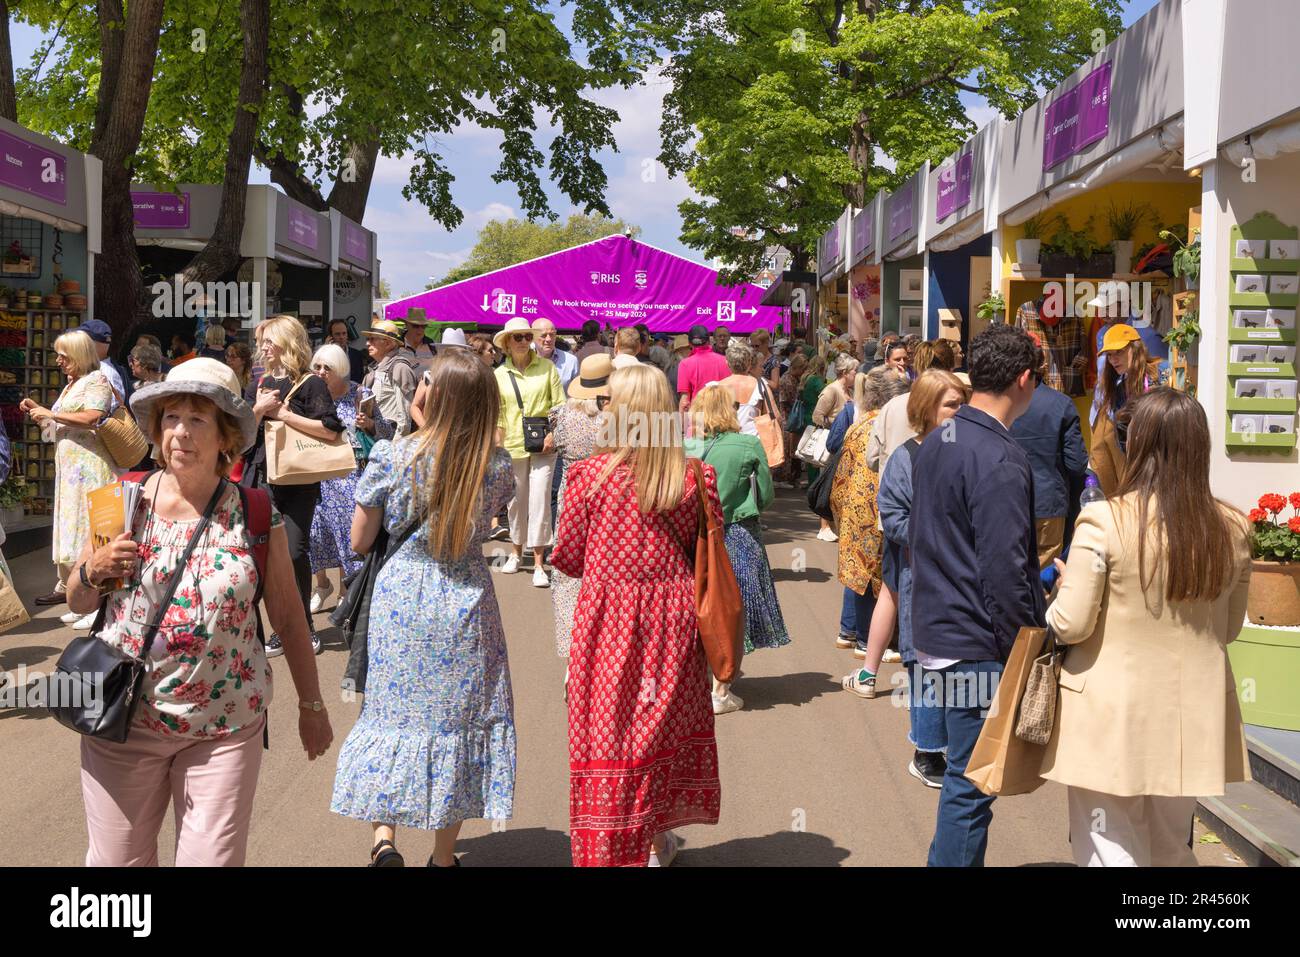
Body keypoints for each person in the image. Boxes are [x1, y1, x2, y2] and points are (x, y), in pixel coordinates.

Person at [66, 357, 332, 866]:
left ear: (225, 435)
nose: (180, 433)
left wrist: (312, 706)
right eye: (170, 418)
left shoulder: (255, 513)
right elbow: (79, 600)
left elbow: (290, 616)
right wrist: (93, 568)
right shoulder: (120, 501)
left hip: (224, 727)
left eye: (197, 420)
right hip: (125, 721)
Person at [1042, 388, 1253, 866]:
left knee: (1107, 842)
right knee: (1171, 845)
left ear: (1137, 444)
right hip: (1192, 714)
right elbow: (1229, 628)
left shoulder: (1103, 520)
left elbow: (1071, 624)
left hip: (1109, 712)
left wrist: (1060, 592)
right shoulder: (1234, 528)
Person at [331, 349, 516, 868]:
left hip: (401, 602)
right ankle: (442, 856)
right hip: (466, 603)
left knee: (390, 716)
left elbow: (361, 539)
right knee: (455, 725)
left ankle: (384, 842)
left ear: (438, 397)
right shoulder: (496, 466)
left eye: (429, 382)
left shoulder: (393, 456)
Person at [552, 364, 722, 867]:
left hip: (607, 618)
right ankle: (653, 843)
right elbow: (708, 546)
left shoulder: (588, 477)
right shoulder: (695, 476)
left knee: (610, 730)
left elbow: (568, 556)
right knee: (659, 728)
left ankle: (615, 845)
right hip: (675, 618)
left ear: (619, 412)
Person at [909, 324, 1045, 867]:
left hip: (941, 627)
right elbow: (1005, 570)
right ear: (1025, 379)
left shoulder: (939, 441)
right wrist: (1026, 649)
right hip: (976, 639)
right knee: (971, 785)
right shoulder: (997, 455)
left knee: (965, 780)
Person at [848, 370, 968, 790]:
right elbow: (893, 518)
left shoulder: (969, 452)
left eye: (961, 403)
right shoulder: (906, 458)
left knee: (960, 660)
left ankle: (956, 744)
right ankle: (927, 750)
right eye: (951, 404)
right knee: (927, 663)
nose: (959, 411)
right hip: (922, 575)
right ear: (926, 408)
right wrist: (941, 534)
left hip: (964, 578)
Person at [685, 384, 789, 715]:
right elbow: (768, 494)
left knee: (698, 605)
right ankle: (722, 686)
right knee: (733, 605)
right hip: (738, 532)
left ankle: (698, 678)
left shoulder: (684, 447)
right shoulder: (747, 444)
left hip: (694, 536)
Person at [248, 314, 345, 655]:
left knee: (292, 552)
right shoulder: (257, 384)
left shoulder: (310, 383)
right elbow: (242, 437)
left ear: (286, 343)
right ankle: (275, 629)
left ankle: (303, 627)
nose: (263, 347)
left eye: (269, 340)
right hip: (261, 480)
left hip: (298, 482)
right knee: (264, 558)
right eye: (261, 341)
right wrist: (258, 411)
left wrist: (285, 415)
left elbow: (332, 429)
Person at [21, 331, 120, 620]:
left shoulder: (97, 380)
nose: (58, 360)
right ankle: (83, 598)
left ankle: (100, 602)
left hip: (91, 470)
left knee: (92, 533)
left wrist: (50, 414)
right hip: (71, 473)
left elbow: (93, 417)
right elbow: (57, 427)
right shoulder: (71, 385)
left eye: (63, 355)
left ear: (78, 355)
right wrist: (40, 416)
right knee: (75, 533)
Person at [830, 367, 908, 658]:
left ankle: (849, 631)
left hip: (852, 506)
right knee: (875, 575)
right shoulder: (888, 427)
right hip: (874, 507)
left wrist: (839, 512)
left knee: (857, 572)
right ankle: (866, 640)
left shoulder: (860, 424)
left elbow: (842, 468)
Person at [549, 353, 612, 663]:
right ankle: (600, 643)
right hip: (606, 494)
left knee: (568, 573)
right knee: (603, 568)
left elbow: (553, 445)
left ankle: (572, 650)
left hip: (571, 495)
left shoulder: (560, 414)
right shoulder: (614, 419)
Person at [493, 317, 564, 586]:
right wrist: (497, 443)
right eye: (517, 337)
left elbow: (559, 406)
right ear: (507, 343)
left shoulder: (547, 368)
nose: (523, 341)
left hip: (544, 445)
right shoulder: (499, 374)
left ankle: (538, 562)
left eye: (526, 336)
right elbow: (497, 413)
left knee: (540, 500)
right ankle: (515, 551)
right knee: (515, 502)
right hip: (512, 444)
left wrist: (553, 434)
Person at [1011, 345, 1089, 569]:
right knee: (1045, 573)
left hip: (1010, 500)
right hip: (1050, 503)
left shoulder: (1004, 403)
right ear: (1043, 366)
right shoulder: (1061, 403)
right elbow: (1077, 463)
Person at [307, 344, 366, 614]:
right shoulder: (308, 392)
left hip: (345, 474)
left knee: (343, 531)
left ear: (340, 369)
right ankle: (322, 585)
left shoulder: (358, 393)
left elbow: (385, 430)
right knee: (315, 534)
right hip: (312, 471)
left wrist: (370, 424)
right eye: (317, 366)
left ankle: (345, 588)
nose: (320, 372)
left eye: (327, 368)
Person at [1089, 323, 1170, 495]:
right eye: (1109, 355)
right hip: (1136, 462)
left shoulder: (1163, 372)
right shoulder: (1117, 388)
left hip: (1161, 459)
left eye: (1119, 352)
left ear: (1135, 348)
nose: (1113, 360)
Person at [810, 354, 855, 542]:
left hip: (845, 445)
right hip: (833, 444)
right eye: (854, 371)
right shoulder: (831, 391)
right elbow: (817, 416)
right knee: (828, 483)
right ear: (844, 373)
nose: (857, 374)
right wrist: (838, 423)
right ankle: (824, 526)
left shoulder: (849, 391)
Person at [358, 319, 419, 439]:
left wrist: (396, 449)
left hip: (391, 446)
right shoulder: (375, 369)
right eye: (367, 339)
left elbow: (405, 420)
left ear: (388, 343)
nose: (367, 343)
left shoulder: (400, 368)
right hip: (376, 443)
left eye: (372, 339)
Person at [675, 324, 730, 413]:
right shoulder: (726, 361)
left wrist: (682, 425)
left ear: (689, 343)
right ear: (708, 341)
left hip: (697, 418)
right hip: (721, 417)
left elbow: (684, 401)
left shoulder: (685, 364)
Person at [76, 319, 129, 409]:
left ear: (91, 343)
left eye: (80, 341)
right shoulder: (93, 368)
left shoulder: (107, 373)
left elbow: (109, 410)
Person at [716, 340, 763, 436]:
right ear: (749, 363)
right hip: (752, 443)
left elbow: (700, 418)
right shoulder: (760, 385)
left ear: (727, 363)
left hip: (725, 441)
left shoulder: (715, 387)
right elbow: (775, 416)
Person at [777, 351, 808, 488]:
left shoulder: (793, 379)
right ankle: (785, 477)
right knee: (788, 447)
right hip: (788, 416)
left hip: (790, 415)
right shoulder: (787, 380)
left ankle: (791, 477)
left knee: (792, 447)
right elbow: (790, 400)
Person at [534, 317, 579, 392]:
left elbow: (577, 394)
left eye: (552, 334)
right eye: (543, 335)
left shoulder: (571, 361)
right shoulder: (524, 360)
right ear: (532, 337)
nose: (548, 339)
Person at [327, 317, 369, 383]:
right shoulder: (325, 355)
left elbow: (360, 379)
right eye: (337, 334)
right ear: (330, 337)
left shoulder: (357, 355)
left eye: (344, 333)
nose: (341, 337)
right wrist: (326, 349)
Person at [399, 307, 435, 373]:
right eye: (415, 326)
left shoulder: (430, 343)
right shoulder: (397, 343)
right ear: (406, 325)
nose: (420, 330)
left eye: (423, 326)